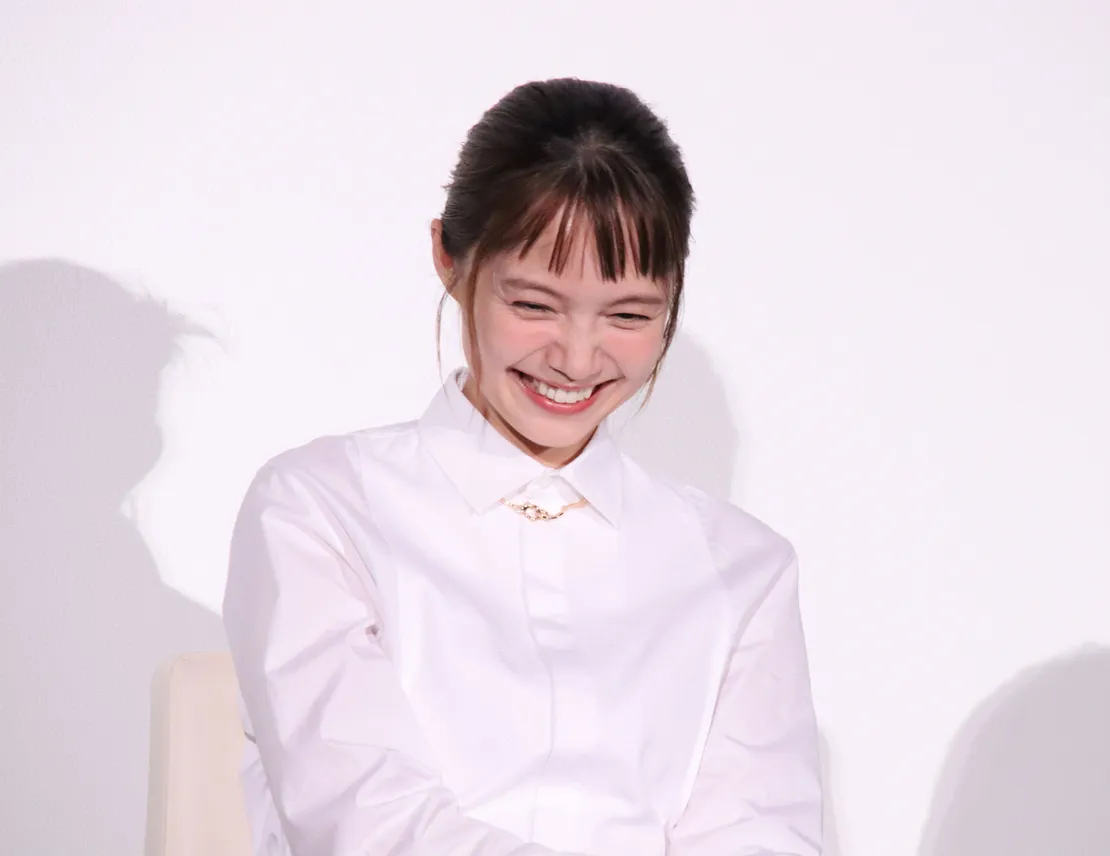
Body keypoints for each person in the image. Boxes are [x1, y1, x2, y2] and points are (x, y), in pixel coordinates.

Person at [222, 77, 822, 856]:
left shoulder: (742, 569)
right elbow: (367, 822)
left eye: (629, 315)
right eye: (534, 305)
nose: (575, 358)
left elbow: (759, 837)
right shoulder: (321, 509)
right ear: (448, 257)